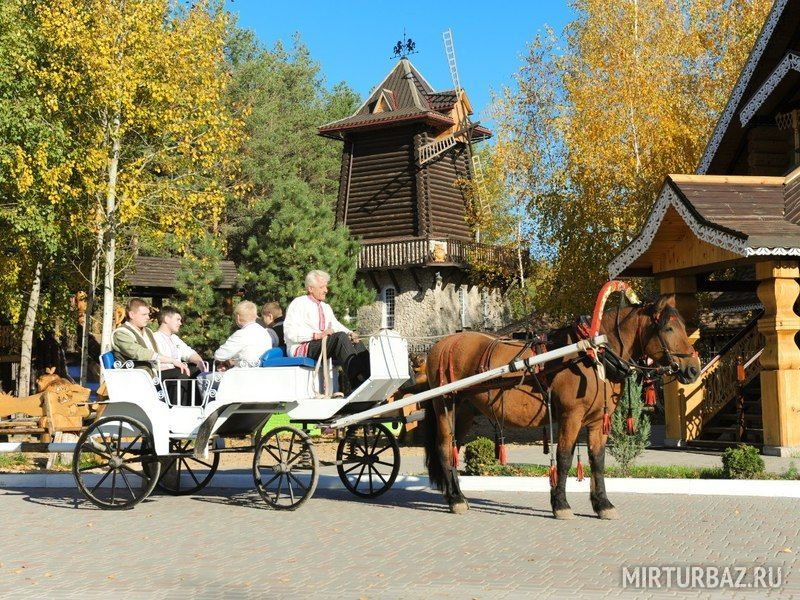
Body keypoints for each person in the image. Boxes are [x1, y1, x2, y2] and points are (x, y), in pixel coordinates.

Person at [284, 270, 369, 389]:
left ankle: (368, 379)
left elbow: (335, 325)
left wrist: (350, 333)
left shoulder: (326, 307)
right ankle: (358, 382)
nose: (326, 290)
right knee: (340, 337)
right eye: (322, 287)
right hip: (303, 347)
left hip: (322, 345)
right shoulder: (298, 304)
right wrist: (316, 335)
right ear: (310, 288)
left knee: (356, 342)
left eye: (326, 287)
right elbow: (289, 333)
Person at [111, 298, 191, 401]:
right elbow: (139, 353)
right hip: (137, 376)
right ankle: (175, 409)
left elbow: (157, 353)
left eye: (148, 314)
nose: (148, 318)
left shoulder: (147, 331)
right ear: (131, 315)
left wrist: (173, 365)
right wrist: (172, 361)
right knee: (180, 374)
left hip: (152, 372)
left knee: (191, 370)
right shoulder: (121, 333)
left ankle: (190, 408)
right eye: (143, 315)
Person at [153, 306, 205, 405]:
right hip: (162, 372)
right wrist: (176, 364)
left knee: (197, 371)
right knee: (182, 373)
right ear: (166, 319)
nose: (180, 323)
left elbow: (189, 353)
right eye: (178, 320)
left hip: (176, 370)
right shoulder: (154, 338)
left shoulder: (174, 338)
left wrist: (199, 362)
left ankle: (197, 406)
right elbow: (154, 359)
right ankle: (177, 407)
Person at [214, 300, 272, 367]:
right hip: (263, 372)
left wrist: (233, 359)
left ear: (238, 317)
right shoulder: (265, 332)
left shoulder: (241, 334)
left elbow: (219, 355)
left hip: (245, 373)